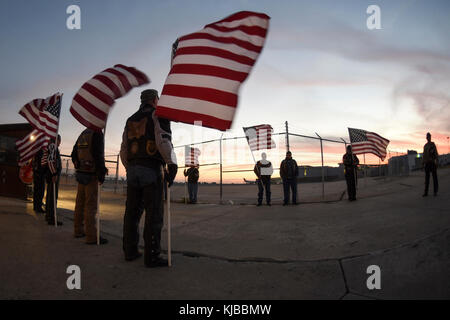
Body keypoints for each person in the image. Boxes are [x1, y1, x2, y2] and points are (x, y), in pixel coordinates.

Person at [120, 89, 178, 268]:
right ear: (154, 100)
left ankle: (130, 251)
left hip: (133, 169)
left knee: (132, 213)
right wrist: (172, 164)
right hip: (151, 169)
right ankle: (151, 255)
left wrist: (129, 167)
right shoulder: (158, 115)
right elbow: (163, 140)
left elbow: (124, 148)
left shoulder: (130, 119)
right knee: (154, 214)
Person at [71, 128, 108, 244]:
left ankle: (78, 230)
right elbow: (98, 154)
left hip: (81, 174)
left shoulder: (83, 134)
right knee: (90, 206)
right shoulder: (97, 133)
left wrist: (78, 164)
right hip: (91, 175)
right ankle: (91, 236)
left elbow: (73, 153)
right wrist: (102, 173)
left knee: (79, 204)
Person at [45, 135, 62, 225]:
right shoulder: (52, 146)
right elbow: (50, 160)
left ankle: (48, 216)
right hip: (53, 176)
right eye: (60, 140)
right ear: (57, 140)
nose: (60, 143)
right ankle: (51, 218)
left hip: (51, 175)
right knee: (52, 197)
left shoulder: (51, 146)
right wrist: (54, 173)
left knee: (50, 196)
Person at [422, 132, 439, 197]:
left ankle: (435, 191)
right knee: (427, 179)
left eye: (429, 136)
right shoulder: (425, 146)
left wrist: (437, 161)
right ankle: (426, 192)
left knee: (435, 178)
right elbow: (424, 155)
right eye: (428, 136)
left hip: (432, 163)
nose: (429, 137)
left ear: (430, 137)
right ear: (426, 138)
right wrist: (423, 163)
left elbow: (436, 153)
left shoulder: (433, 144)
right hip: (427, 163)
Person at [32, 148, 46, 213]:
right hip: (40, 174)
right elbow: (40, 165)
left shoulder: (37, 152)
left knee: (36, 191)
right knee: (40, 192)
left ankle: (35, 206)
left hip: (36, 174)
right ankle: (38, 207)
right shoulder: (40, 153)